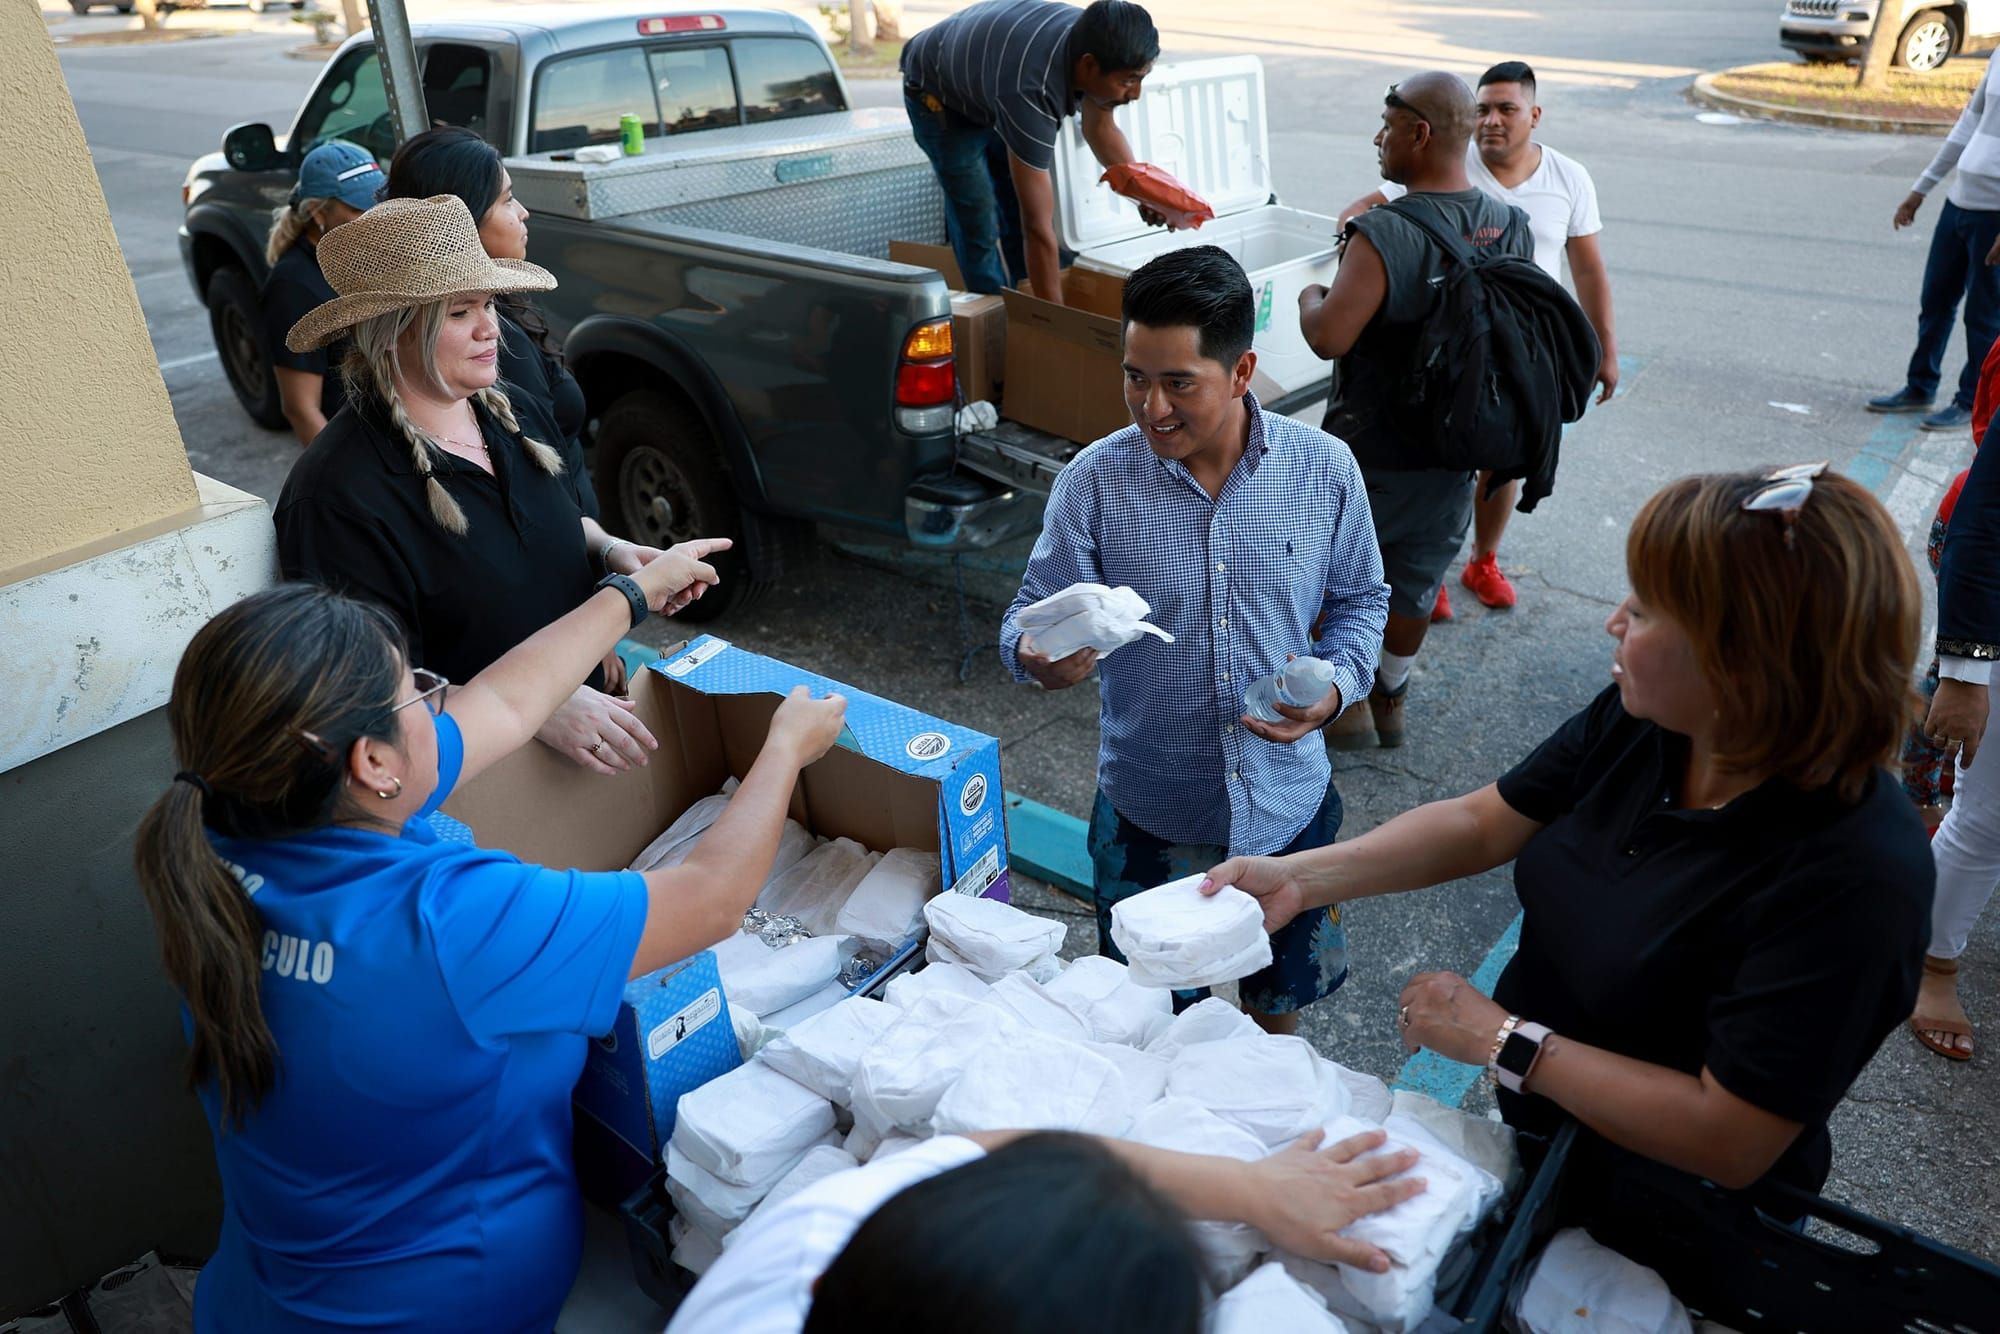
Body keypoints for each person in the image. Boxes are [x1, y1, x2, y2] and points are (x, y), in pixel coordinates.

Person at [133, 556, 851, 1330]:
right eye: (415, 690)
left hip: (261, 1302)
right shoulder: (446, 920)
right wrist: (782, 751)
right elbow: (710, 898)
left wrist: (631, 595)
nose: (433, 703)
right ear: (371, 763)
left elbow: (504, 702)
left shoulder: (224, 827)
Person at [1202, 466, 1933, 1209]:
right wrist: (1302, 879)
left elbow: (1733, 1136)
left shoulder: (1860, 872)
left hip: (1681, 1219)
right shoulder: (1651, 722)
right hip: (1544, 1146)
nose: (1615, 621)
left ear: (1744, 659)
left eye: (1647, 611)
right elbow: (1485, 820)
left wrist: (1503, 1040)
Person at [999, 245, 1389, 1036]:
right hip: (1150, 810)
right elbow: (1027, 617)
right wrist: (1037, 659)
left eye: (1179, 382)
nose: (1151, 407)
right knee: (1147, 1023)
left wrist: (1339, 689)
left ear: (1241, 372)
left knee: (1276, 1018)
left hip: (1286, 813)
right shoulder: (1096, 482)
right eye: (1135, 376)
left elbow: (1361, 599)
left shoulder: (1324, 471)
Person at [273, 195, 661, 777]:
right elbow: (374, 694)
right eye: (459, 313)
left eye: (488, 304)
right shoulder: (336, 498)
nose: (490, 328)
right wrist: (540, 702)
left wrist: (604, 553)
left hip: (599, 725)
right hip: (487, 775)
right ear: (390, 333)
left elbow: (538, 524)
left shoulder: (514, 411)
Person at [666, 1128, 1426, 1334]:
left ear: (827, 1284)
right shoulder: (820, 1242)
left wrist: (1248, 1187)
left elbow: (994, 1150)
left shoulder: (804, 1242)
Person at [1300, 73, 1531, 749]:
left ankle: (1339, 706)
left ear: (1419, 134)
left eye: (1387, 124)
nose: (1379, 138)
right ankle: (1391, 695)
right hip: (1457, 448)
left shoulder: (1383, 233)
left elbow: (1328, 337)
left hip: (1373, 451)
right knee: (1412, 582)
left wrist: (1315, 290)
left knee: (1334, 580)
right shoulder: (1508, 222)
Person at [1339, 61, 1618, 617]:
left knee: (1498, 459)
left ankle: (1481, 559)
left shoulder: (1567, 178)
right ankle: (1430, 569)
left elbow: (1587, 269)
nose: (1493, 120)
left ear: (1533, 116)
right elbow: (1366, 207)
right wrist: (1353, 242)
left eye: (1506, 109)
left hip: (1511, 347)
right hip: (1439, 350)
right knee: (1445, 461)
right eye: (1483, 108)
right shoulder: (1446, 163)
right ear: (1467, 120)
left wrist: (1604, 349)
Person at [380, 126, 599, 522]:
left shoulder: (502, 309)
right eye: (507, 200)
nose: (522, 212)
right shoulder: (486, 346)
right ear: (462, 219)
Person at [900, 0, 1158, 303]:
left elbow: (1100, 128)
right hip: (938, 93)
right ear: (1088, 65)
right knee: (979, 220)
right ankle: (994, 315)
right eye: (1129, 81)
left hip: (990, 75)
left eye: (1140, 78)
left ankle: (1025, 299)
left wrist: (1146, 195)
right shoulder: (1030, 91)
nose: (1136, 94)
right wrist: (1057, 325)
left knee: (1014, 199)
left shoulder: (1099, 37)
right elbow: (1037, 228)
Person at [1910, 370, 2000, 1061]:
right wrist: (1967, 672)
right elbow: (1985, 517)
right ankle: (1931, 965)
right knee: (1986, 812)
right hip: (1987, 590)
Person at [1871, 50, 2000, 434]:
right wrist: (1920, 190)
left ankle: (1971, 401)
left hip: (1995, 215)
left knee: (1983, 317)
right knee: (1935, 301)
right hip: (1959, 201)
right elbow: (1967, 125)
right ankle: (1919, 386)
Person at [261, 140, 382, 447]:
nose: (373, 215)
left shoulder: (362, 253)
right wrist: (343, 484)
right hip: (356, 453)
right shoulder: (293, 285)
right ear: (317, 212)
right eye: (357, 207)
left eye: (379, 200)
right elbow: (301, 408)